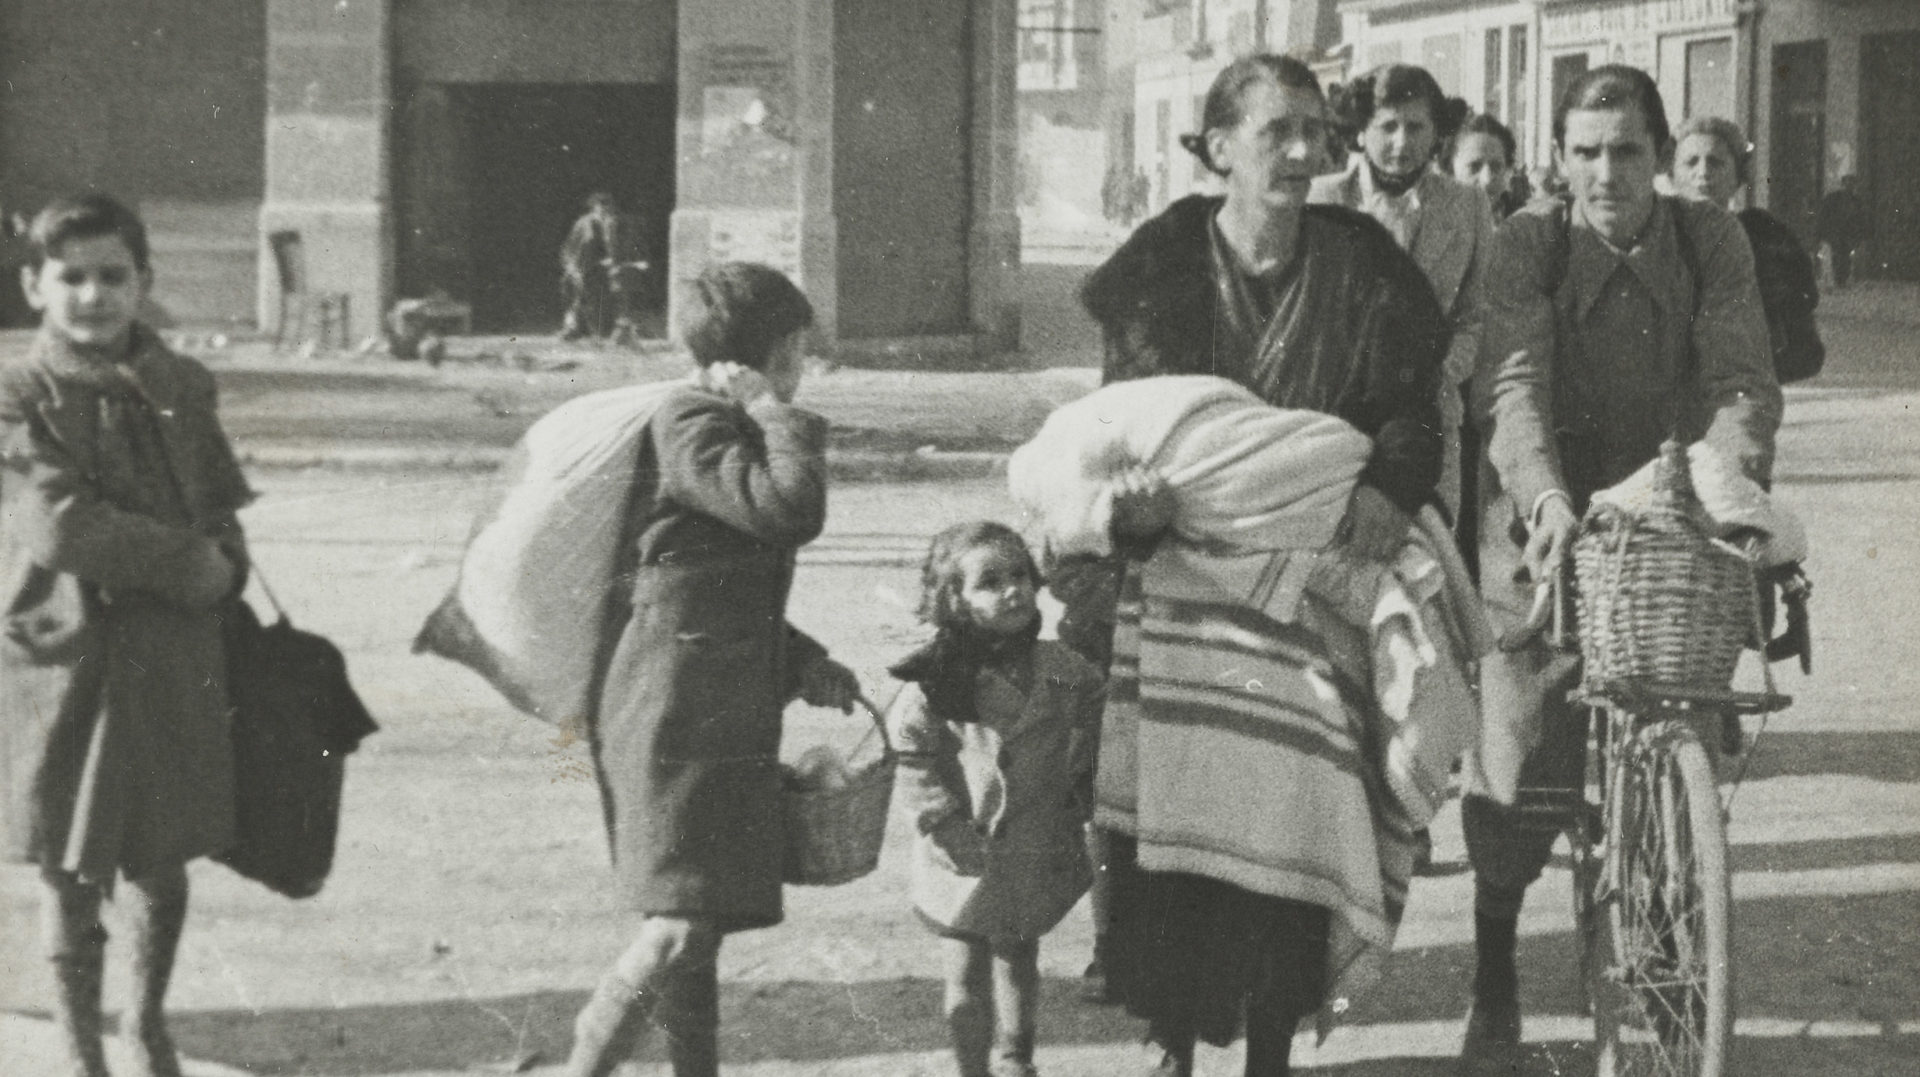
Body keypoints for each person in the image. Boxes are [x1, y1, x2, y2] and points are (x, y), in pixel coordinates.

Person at [1063, 54, 1449, 1077]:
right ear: (1217, 146)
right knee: (1178, 820)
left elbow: (1414, 410)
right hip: (1186, 582)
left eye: (1314, 131)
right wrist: (1135, 514)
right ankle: (1180, 1047)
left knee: (1299, 806)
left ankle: (1273, 1045)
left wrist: (1388, 487)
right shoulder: (1157, 273)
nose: (1299, 151)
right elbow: (1125, 436)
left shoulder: (1365, 265)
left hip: (1314, 577)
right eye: (1275, 130)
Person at [1462, 66, 1781, 1072]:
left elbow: (1740, 377)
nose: (1609, 173)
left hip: (1667, 503)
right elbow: (1513, 382)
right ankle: (1496, 962)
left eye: (1630, 150)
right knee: (1514, 757)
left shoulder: (1709, 239)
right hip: (1543, 512)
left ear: (1660, 153)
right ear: (1559, 158)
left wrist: (1721, 484)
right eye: (1588, 151)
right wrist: (1548, 500)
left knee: (1683, 697)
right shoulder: (1530, 243)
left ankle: (1677, 907)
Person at [561, 261, 864, 1077]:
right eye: (795, 353)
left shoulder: (712, 424)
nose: (802, 371)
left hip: (706, 712)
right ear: (765, 355)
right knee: (683, 922)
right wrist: (777, 411)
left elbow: (711, 582)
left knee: (699, 928)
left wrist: (806, 663)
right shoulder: (693, 421)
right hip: (672, 718)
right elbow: (787, 510)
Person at [0, 193, 253, 1077]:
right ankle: (81, 1052)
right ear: (35, 285)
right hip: (65, 655)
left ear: (145, 282)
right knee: (70, 865)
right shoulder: (20, 391)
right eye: (71, 277)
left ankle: (145, 1024)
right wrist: (197, 566)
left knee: (160, 850)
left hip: (171, 653)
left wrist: (231, 557)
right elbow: (60, 526)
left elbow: (220, 495)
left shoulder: (182, 383)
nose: (94, 295)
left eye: (114, 275)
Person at [887, 522, 1105, 1077]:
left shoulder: (1060, 668)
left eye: (1019, 576)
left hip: (1032, 839)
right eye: (990, 582)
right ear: (954, 599)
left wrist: (1082, 786)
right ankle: (971, 1068)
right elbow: (910, 751)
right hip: (962, 844)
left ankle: (1016, 1059)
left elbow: (1099, 717)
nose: (1012, 590)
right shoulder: (940, 675)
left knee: (1019, 954)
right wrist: (941, 820)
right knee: (963, 967)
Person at [1315, 64, 1491, 522]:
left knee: (1425, 562)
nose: (1401, 142)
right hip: (1334, 419)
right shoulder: (1322, 202)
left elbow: (1477, 315)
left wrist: (1440, 371)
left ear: (1438, 133)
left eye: (1416, 127)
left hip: (1428, 417)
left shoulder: (1468, 206)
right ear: (1361, 131)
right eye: (1387, 126)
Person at [1670, 115, 1826, 385]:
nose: (1703, 172)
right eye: (1691, 162)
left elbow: (1802, 348)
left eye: (1716, 162)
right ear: (1672, 174)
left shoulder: (1764, 239)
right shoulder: (1651, 236)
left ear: (1738, 177)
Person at [560, 192, 621, 340]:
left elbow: (616, 248)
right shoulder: (583, 224)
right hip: (582, 268)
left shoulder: (613, 224)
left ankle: (600, 328)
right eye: (600, 206)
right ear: (593, 207)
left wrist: (611, 263)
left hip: (604, 269)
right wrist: (572, 268)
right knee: (574, 291)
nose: (603, 210)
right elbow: (571, 247)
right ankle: (572, 327)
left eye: (607, 207)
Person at [1448, 113, 1525, 220]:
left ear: (1507, 170)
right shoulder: (1430, 226)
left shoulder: (1526, 227)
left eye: (1496, 167)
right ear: (1451, 169)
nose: (1487, 179)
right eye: (1474, 167)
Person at [1817, 173, 1868, 289]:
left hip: (1848, 233)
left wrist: (1860, 234)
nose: (1850, 186)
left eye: (1852, 183)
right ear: (1843, 184)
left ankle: (1842, 279)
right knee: (1837, 254)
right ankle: (1838, 278)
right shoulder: (1833, 198)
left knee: (1845, 256)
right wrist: (1823, 231)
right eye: (1847, 183)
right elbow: (1824, 215)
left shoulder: (1856, 201)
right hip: (1836, 232)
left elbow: (1860, 218)